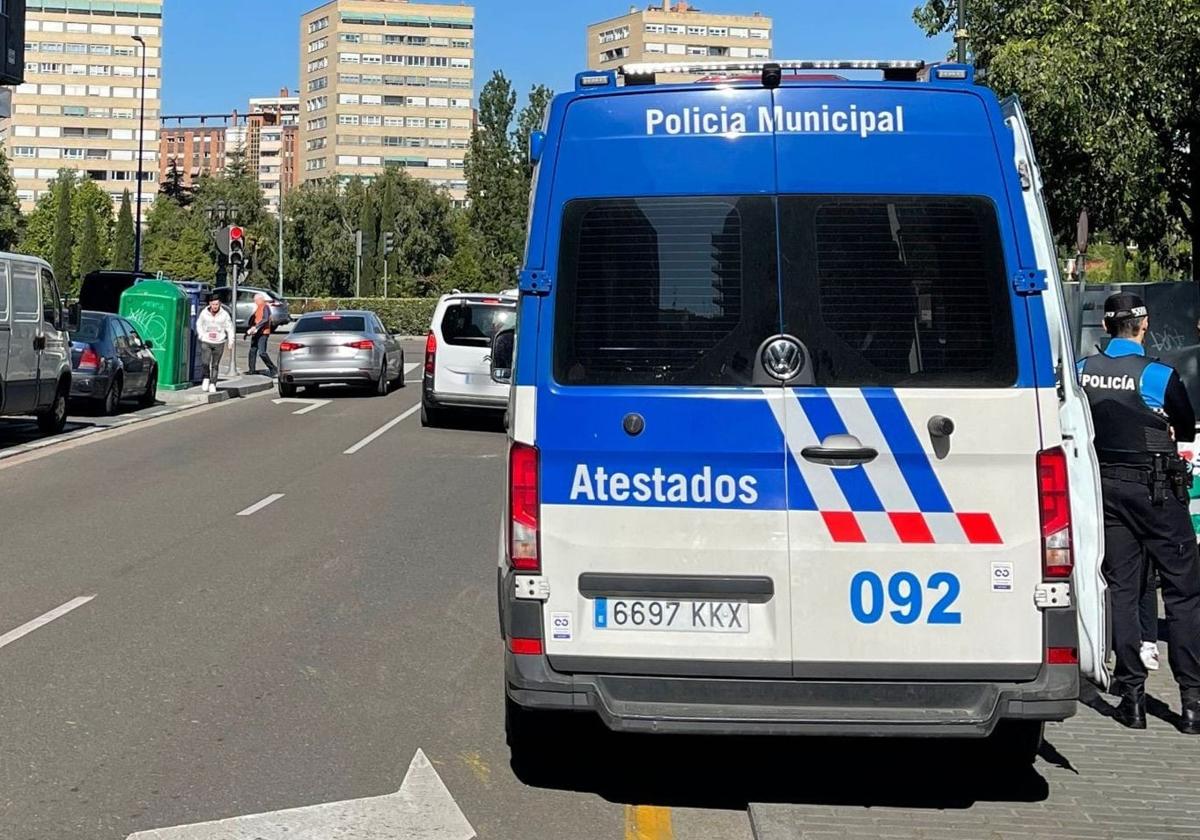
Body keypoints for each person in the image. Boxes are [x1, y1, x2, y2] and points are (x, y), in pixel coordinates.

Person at [1078, 292, 1200, 733]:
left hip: (1106, 489)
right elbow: (1184, 425)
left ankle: (1131, 699)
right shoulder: (1157, 374)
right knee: (1184, 591)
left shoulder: (1081, 371)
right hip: (1157, 491)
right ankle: (1192, 703)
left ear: (1107, 327)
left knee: (1123, 591)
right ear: (1143, 325)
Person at [195, 293, 235, 394]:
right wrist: (201, 335)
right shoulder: (204, 313)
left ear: (220, 304)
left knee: (215, 364)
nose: (215, 306)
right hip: (206, 341)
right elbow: (199, 324)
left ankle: (213, 383)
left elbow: (230, 328)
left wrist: (231, 341)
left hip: (219, 342)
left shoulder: (224, 314)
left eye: (217, 304)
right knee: (205, 362)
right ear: (210, 304)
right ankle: (206, 377)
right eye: (213, 304)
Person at [246, 292, 277, 378]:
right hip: (257, 332)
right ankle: (251, 370)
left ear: (260, 299)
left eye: (255, 300)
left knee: (262, 352)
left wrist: (256, 327)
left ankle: (273, 369)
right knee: (252, 350)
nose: (254, 302)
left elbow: (265, 319)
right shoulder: (258, 307)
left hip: (263, 332)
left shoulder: (265, 306)